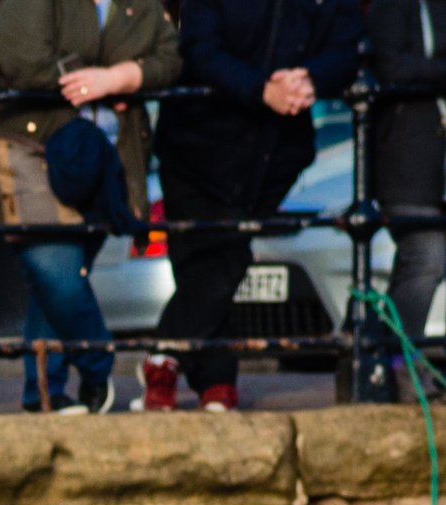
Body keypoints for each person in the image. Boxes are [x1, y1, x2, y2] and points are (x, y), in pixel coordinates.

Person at [0, 0, 177, 416]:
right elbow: (23, 61)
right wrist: (95, 79)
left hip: (107, 156)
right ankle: (97, 363)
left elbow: (169, 59)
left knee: (57, 287)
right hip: (34, 149)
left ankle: (44, 395)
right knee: (54, 272)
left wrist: (117, 77)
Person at [149, 0, 363, 412]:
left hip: (270, 152)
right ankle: (216, 381)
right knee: (209, 258)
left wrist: (308, 81)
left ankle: (165, 356)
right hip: (197, 144)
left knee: (226, 257)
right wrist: (262, 89)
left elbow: (345, 51)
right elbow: (200, 48)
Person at [374, 0, 446, 390]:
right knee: (426, 254)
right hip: (408, 157)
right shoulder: (395, 7)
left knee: (422, 262)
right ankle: (398, 360)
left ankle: (371, 348)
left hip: (435, 156)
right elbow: (392, 66)